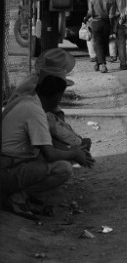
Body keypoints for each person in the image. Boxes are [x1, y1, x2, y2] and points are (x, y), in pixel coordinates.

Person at [1, 69, 95, 220]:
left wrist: (73, 150)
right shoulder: (35, 111)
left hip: (10, 161)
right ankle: (15, 195)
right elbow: (50, 154)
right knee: (63, 168)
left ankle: (17, 193)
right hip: (6, 168)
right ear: (57, 98)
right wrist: (74, 153)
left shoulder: (28, 101)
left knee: (63, 154)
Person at [6, 49, 90, 151]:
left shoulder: (35, 79)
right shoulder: (35, 88)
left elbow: (53, 113)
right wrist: (77, 142)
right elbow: (50, 122)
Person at [84, 0, 118, 73]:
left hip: (96, 23)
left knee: (97, 43)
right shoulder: (111, 0)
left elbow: (90, 12)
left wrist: (86, 18)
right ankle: (99, 63)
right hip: (106, 23)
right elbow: (111, 15)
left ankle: (102, 64)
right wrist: (111, 27)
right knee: (104, 43)